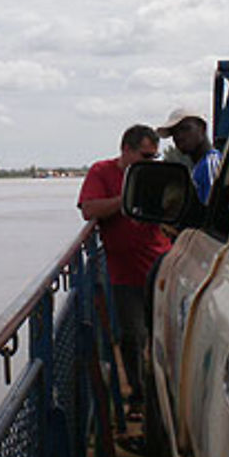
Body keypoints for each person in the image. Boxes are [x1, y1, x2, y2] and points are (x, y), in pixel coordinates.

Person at [77, 124, 171, 427]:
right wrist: (126, 198)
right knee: (132, 337)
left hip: (160, 265)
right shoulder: (101, 172)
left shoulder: (153, 176)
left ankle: (162, 395)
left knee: (162, 334)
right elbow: (89, 209)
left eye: (154, 157)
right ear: (126, 150)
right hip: (124, 273)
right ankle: (139, 398)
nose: (149, 162)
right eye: (145, 155)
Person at [157, 108, 222, 205]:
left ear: (202, 128)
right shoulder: (199, 167)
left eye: (185, 129)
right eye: (174, 133)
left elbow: (216, 207)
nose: (179, 136)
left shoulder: (210, 163)